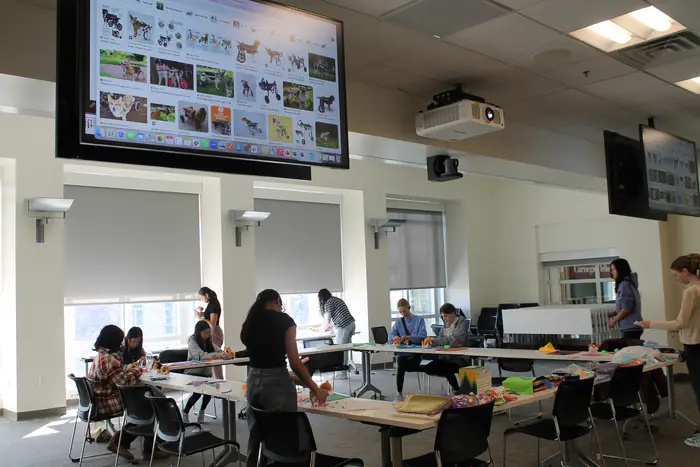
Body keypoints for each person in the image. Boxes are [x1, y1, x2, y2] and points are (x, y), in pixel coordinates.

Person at [242, 289, 328, 467]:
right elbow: (295, 363)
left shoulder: (251, 322)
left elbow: (262, 356)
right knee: (284, 437)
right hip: (276, 383)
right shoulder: (285, 321)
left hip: (252, 379)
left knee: (256, 431)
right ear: (278, 302)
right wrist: (315, 389)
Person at [639, 253, 700, 449]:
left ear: (685, 271)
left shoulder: (691, 291)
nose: (676, 279)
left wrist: (650, 323)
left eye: (676, 275)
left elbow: (681, 321)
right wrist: (680, 327)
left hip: (695, 347)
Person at [88, 325, 167, 461]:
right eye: (119, 341)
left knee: (146, 405)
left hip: (102, 398)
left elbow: (119, 375)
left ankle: (120, 442)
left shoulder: (101, 356)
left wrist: (130, 369)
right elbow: (124, 381)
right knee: (152, 406)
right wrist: (138, 370)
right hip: (108, 401)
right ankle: (148, 450)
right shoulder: (108, 359)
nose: (121, 344)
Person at [182, 320, 226, 423]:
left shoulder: (208, 341)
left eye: (208, 332)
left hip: (206, 374)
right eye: (205, 332)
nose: (207, 335)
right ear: (199, 332)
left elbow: (219, 350)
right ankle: (185, 412)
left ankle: (202, 411)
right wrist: (217, 355)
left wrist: (223, 353)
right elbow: (201, 356)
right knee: (198, 393)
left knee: (209, 391)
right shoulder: (192, 341)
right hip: (194, 373)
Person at [422, 303, 469, 393]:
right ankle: (456, 388)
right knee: (427, 367)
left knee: (448, 367)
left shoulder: (462, 323)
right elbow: (443, 342)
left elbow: (456, 342)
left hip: (459, 356)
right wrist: (432, 343)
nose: (444, 318)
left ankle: (458, 389)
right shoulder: (445, 324)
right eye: (442, 316)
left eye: (446, 316)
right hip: (447, 354)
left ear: (453, 314)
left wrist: (437, 341)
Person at [388, 298, 427, 401]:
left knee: (401, 364)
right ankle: (399, 393)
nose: (402, 314)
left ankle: (399, 392)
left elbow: (423, 336)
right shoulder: (399, 321)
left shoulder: (419, 320)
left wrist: (410, 337)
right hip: (404, 352)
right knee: (401, 361)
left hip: (417, 351)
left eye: (404, 311)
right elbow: (391, 334)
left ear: (409, 308)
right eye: (400, 312)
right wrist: (394, 338)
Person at [318, 288, 355, 379]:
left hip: (343, 326)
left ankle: (341, 374)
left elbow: (327, 320)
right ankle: (343, 372)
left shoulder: (328, 303)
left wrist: (322, 329)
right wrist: (330, 327)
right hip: (351, 324)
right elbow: (337, 317)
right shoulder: (336, 299)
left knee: (339, 351)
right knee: (344, 350)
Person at [608, 258, 644, 339]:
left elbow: (626, 309)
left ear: (620, 270)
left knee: (628, 350)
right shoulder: (630, 283)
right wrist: (614, 313)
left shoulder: (624, 285)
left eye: (614, 269)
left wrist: (614, 320)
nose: (612, 272)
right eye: (611, 270)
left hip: (630, 327)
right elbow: (627, 305)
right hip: (634, 326)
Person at [196, 287, 224, 379]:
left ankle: (219, 384)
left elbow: (212, 324)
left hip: (214, 332)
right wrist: (202, 314)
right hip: (213, 332)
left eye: (202, 297)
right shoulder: (212, 304)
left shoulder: (213, 305)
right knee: (213, 361)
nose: (202, 299)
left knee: (215, 360)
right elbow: (210, 316)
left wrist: (200, 318)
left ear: (206, 295)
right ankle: (216, 383)